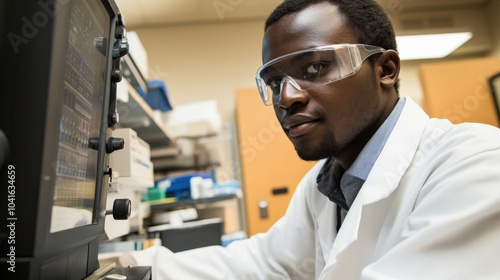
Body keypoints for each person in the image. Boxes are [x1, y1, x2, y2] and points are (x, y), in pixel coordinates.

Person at [118, 0, 500, 279]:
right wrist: (135, 269)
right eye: (274, 83)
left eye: (315, 67)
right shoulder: (326, 185)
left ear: (384, 69)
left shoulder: (476, 162)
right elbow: (264, 263)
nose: (287, 98)